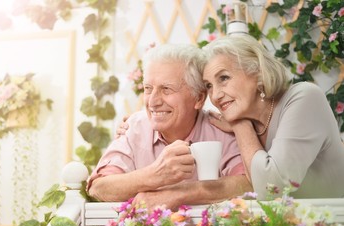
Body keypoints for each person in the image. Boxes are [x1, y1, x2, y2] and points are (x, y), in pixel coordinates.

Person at [87, 43, 252, 211]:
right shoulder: (134, 127)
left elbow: (247, 183)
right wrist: (156, 174)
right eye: (148, 89)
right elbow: (99, 188)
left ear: (199, 98)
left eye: (166, 89)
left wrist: (179, 194)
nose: (153, 102)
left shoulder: (220, 129)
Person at [202, 34, 344, 199]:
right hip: (291, 223)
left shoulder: (304, 97)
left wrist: (240, 125)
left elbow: (273, 188)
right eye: (209, 86)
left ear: (258, 72)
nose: (215, 96)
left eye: (224, 78)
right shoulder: (250, 122)